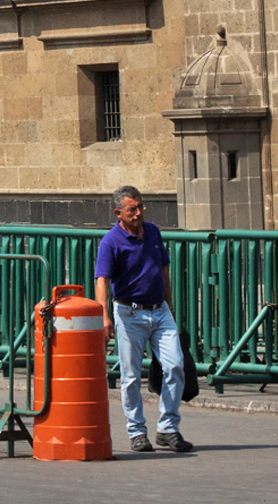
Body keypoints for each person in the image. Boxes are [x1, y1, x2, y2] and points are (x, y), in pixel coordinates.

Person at [95, 185, 192, 453]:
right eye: (132, 209)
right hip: (129, 313)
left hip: (159, 310)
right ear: (118, 213)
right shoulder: (111, 241)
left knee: (175, 366)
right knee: (130, 377)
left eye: (140, 207)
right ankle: (137, 431)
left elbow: (163, 268)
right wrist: (104, 317)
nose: (138, 213)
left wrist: (169, 302)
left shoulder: (153, 231)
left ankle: (168, 428)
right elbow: (102, 280)